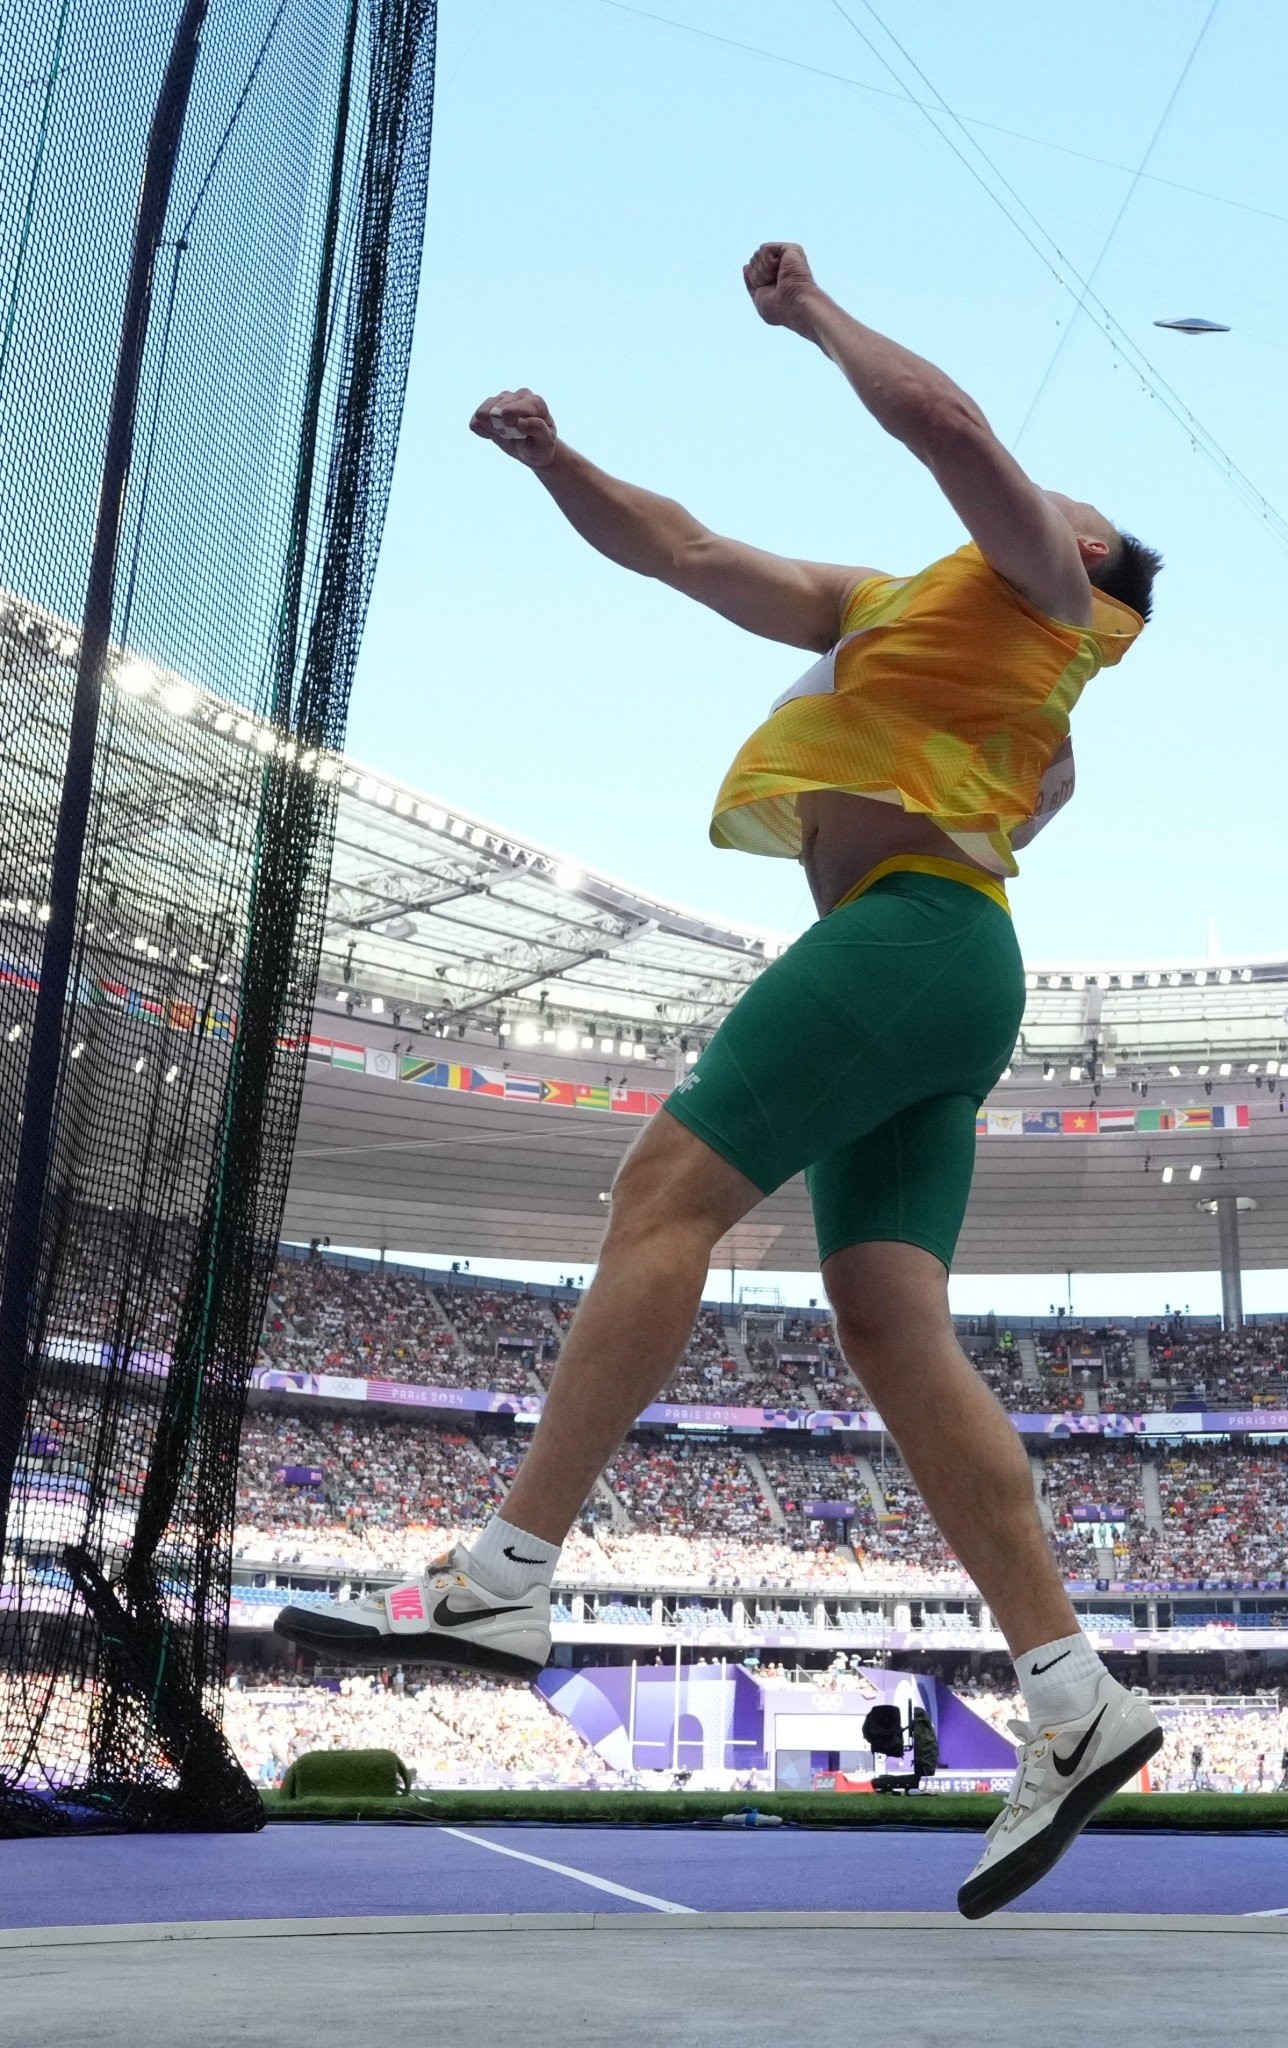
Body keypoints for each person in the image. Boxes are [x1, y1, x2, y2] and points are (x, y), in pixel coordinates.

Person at [277, 241, 1162, 1918]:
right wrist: (557, 462)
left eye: (1069, 501)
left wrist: (817, 313)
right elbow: (679, 551)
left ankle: (507, 1570)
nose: (1041, 496)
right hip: (939, 970)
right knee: (892, 1326)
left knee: (660, 1194)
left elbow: (955, 426)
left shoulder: (1057, 599)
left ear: (1099, 564)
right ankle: (1072, 1694)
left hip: (909, 938)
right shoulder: (885, 604)